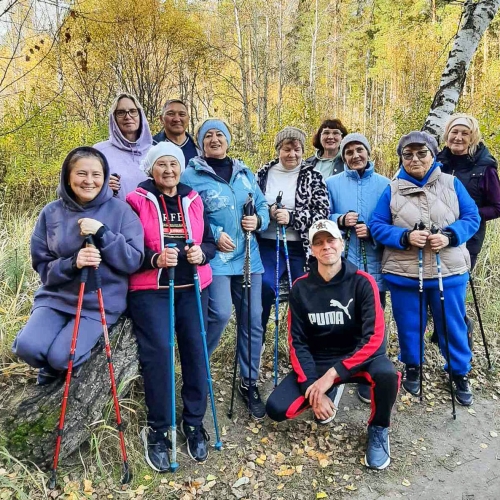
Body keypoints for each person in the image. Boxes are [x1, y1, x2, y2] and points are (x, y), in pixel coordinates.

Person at [266, 219, 400, 470]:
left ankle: (379, 428)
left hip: (361, 357)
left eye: (331, 240)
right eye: (318, 242)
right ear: (312, 250)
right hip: (320, 357)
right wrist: (311, 388)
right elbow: (297, 342)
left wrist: (331, 376)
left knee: (387, 375)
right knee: (276, 409)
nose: (325, 246)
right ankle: (328, 392)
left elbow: (374, 340)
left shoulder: (363, 282)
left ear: (340, 244)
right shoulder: (300, 287)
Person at [12, 147, 144, 385]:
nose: (89, 181)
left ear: (105, 178)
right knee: (27, 348)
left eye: (96, 174)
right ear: (68, 176)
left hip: (98, 303)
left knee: (62, 357)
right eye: (81, 173)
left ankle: (56, 366)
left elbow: (134, 260)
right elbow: (42, 265)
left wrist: (103, 235)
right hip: (56, 297)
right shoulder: (51, 212)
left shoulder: (122, 211)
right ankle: (49, 361)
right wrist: (73, 263)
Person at [370, 131, 480, 406]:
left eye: (422, 153)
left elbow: (472, 217)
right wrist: (404, 237)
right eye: (408, 154)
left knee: (451, 324)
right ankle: (412, 366)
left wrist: (451, 235)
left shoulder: (452, 183)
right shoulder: (392, 188)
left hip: (449, 271)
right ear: (401, 159)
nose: (415, 159)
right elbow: (377, 225)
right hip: (404, 272)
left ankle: (458, 372)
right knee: (409, 325)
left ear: (433, 155)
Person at [126, 142, 216, 472]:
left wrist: (202, 253)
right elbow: (128, 250)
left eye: (173, 164)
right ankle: (160, 428)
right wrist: (154, 258)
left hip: (193, 286)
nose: (168, 170)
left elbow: (208, 240)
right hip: (153, 288)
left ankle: (193, 422)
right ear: (150, 169)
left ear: (181, 168)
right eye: (161, 165)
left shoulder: (193, 198)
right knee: (160, 355)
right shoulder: (136, 200)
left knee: (195, 351)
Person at [181, 119, 270, 420]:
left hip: (249, 258)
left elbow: (262, 206)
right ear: (201, 143)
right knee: (218, 314)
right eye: (208, 136)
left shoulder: (245, 173)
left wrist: (258, 221)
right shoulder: (190, 176)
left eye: (220, 134)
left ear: (228, 140)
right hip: (216, 259)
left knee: (252, 319)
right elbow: (188, 214)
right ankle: (197, 372)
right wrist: (214, 233)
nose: (215, 139)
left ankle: (249, 381)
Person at [326, 133, 389, 404]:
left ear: (368, 151)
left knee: (374, 317)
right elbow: (322, 215)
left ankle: (370, 371)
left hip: (374, 260)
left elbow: (391, 220)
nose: (355, 155)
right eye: (348, 151)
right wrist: (340, 219)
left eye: (359, 149)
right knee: (341, 315)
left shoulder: (386, 184)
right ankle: (337, 371)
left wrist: (372, 231)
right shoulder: (331, 183)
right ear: (343, 156)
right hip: (343, 260)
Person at [256, 126, 329, 335]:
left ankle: (300, 343)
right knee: (265, 286)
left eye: (297, 149)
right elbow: (251, 203)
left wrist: (293, 218)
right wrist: (268, 212)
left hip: (300, 246)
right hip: (268, 243)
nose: (292, 154)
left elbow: (322, 212)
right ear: (278, 149)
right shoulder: (263, 174)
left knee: (303, 292)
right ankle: (257, 340)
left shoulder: (313, 176)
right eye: (287, 149)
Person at [438, 113, 500, 270]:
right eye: (454, 132)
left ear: (473, 138)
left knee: (455, 288)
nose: (458, 137)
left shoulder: (485, 168)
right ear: (447, 135)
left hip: (468, 238)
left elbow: (497, 207)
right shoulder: (437, 163)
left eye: (465, 133)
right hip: (436, 236)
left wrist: (468, 215)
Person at [94, 93, 152, 201]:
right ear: (113, 118)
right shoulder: (99, 152)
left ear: (140, 115)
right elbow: (85, 186)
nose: (128, 116)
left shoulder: (155, 151)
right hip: (116, 216)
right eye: (121, 112)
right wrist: (101, 186)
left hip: (151, 217)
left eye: (133, 111)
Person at [152, 99, 201, 163]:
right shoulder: (151, 146)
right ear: (161, 119)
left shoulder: (199, 147)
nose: (177, 119)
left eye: (182, 114)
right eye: (171, 114)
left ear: (188, 118)